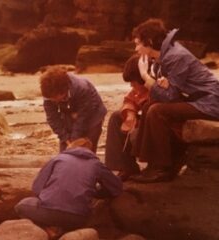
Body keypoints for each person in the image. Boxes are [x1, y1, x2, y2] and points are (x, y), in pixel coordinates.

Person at [130, 18, 219, 183]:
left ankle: (162, 168)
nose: (136, 49)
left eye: (138, 44)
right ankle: (150, 164)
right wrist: (158, 84)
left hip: (210, 102)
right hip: (194, 98)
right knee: (150, 105)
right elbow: (161, 94)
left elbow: (168, 96)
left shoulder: (176, 56)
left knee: (157, 111)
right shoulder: (163, 57)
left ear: (149, 42)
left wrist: (145, 77)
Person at [15, 138, 122, 234]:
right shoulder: (96, 164)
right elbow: (116, 188)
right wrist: (97, 193)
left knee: (21, 205)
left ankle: (48, 229)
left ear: (71, 147)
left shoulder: (58, 159)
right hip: (79, 218)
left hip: (49, 212)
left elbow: (36, 188)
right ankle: (61, 230)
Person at [40, 66, 107, 153]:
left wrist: (74, 140)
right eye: (50, 98)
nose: (52, 100)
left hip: (92, 114)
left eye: (54, 98)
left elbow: (83, 118)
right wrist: (65, 138)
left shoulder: (82, 88)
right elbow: (52, 118)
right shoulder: (49, 93)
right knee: (65, 153)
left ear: (63, 91)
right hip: (69, 113)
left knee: (87, 151)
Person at [105, 54, 149, 181]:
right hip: (143, 121)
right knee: (116, 117)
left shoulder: (154, 87)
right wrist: (130, 113)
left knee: (136, 133)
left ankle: (154, 166)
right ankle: (125, 166)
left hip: (154, 126)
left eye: (133, 82)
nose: (131, 86)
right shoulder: (138, 90)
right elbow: (129, 100)